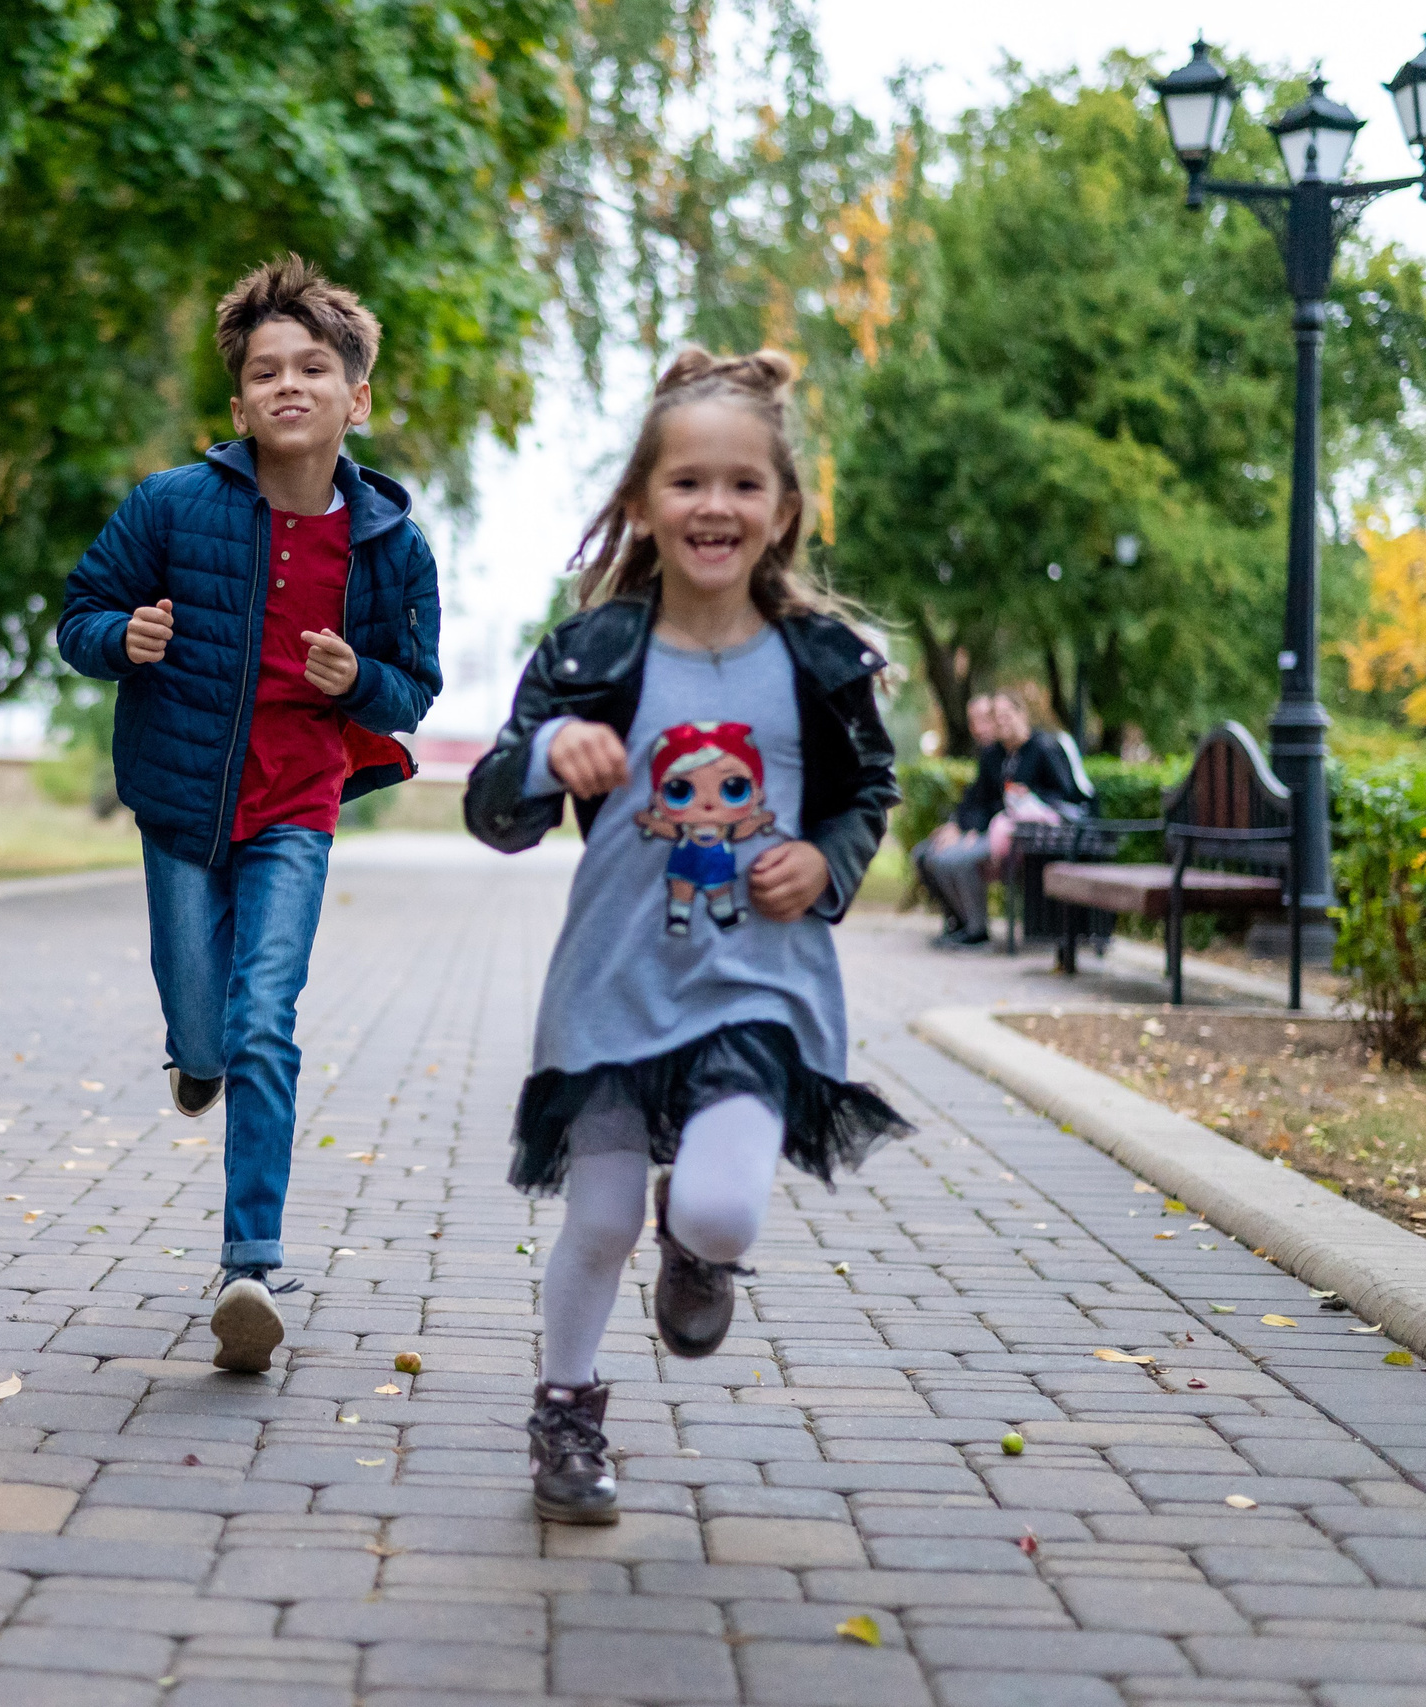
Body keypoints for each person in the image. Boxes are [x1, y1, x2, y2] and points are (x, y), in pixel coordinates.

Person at [465, 348, 909, 1525]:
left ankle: (697, 1248)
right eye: (687, 482)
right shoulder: (588, 655)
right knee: (601, 1217)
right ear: (640, 502)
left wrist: (825, 861)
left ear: (783, 509)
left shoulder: (820, 664)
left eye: (742, 484)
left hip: (759, 983)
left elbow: (866, 793)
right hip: (615, 980)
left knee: (718, 1208)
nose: (715, 506)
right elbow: (493, 811)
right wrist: (544, 755)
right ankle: (566, 1414)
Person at [57, 256, 440, 1374]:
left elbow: (413, 687)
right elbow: (81, 613)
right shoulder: (170, 506)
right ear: (238, 407)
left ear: (354, 398)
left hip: (296, 807)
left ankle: (250, 1267)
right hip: (181, 799)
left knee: (264, 1019)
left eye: (312, 368)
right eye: (266, 371)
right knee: (205, 1027)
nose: (289, 386)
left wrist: (357, 680)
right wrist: (122, 638)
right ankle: (194, 1053)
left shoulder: (391, 543)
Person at [916, 691, 1093, 945]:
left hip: (1031, 837)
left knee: (954, 860)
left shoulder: (1045, 748)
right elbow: (979, 798)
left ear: (1022, 714)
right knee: (935, 857)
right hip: (999, 831)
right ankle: (966, 925)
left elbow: (1067, 796)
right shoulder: (996, 755)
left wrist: (1030, 794)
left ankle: (976, 930)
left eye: (1007, 715)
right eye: (997, 718)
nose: (1002, 723)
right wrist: (964, 827)